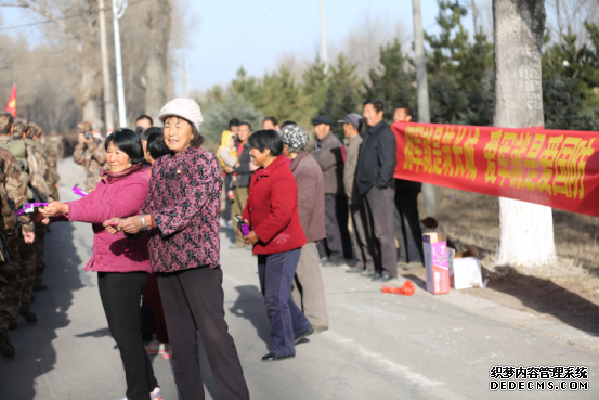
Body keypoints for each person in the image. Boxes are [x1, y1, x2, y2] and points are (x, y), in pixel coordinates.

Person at [112, 98, 250, 399]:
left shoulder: (205, 162)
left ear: (193, 130)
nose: (171, 131)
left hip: (198, 263)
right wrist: (128, 226)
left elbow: (186, 208)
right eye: (167, 125)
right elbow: (151, 207)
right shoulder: (161, 165)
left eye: (179, 125)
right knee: (180, 342)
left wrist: (145, 220)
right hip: (164, 264)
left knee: (215, 337)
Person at [35, 128, 163, 400]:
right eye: (109, 151)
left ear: (133, 155)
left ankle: (138, 394)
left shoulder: (138, 182)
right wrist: (54, 214)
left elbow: (109, 212)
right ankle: (150, 388)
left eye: (119, 152)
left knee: (127, 334)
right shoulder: (107, 181)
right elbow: (89, 204)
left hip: (128, 264)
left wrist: (64, 210)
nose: (111, 157)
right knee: (121, 331)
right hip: (108, 261)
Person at [238, 129, 313, 362]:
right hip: (265, 243)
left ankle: (283, 347)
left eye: (253, 149)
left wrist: (258, 234)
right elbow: (249, 207)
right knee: (274, 294)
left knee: (275, 298)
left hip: (283, 244)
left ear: (267, 150)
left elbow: (281, 214)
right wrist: (245, 229)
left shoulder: (282, 175)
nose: (249, 153)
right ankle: (300, 326)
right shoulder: (260, 174)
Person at [281, 124, 329, 333]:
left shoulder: (306, 167)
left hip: (303, 232)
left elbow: (304, 205)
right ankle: (302, 318)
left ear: (290, 145)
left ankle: (316, 318)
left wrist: (293, 233)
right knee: (299, 275)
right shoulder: (299, 163)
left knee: (308, 275)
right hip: (299, 231)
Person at [0, 113, 47, 325]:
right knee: (14, 269)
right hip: (8, 224)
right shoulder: (12, 153)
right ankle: (11, 316)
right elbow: (21, 193)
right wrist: (26, 223)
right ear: (11, 129)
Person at [0, 112, 34, 359]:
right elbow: (17, 193)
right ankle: (4, 324)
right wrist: (25, 225)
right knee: (9, 276)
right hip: (4, 228)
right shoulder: (6, 155)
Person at [356, 99, 397, 282]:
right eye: (364, 111)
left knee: (383, 231)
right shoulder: (367, 134)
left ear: (380, 113)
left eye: (368, 111)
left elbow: (388, 163)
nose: (365, 115)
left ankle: (389, 269)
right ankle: (378, 267)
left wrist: (379, 183)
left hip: (379, 189)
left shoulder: (385, 133)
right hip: (366, 188)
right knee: (371, 230)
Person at [140, 129, 172, 360]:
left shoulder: (159, 174)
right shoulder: (147, 172)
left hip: (162, 241)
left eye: (144, 145)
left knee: (160, 295)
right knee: (152, 294)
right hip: (147, 240)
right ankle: (163, 337)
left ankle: (170, 339)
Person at [311, 115, 352, 266]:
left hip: (332, 190)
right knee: (329, 222)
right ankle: (336, 252)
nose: (316, 130)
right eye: (314, 127)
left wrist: (315, 155)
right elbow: (312, 159)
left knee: (331, 223)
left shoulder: (334, 143)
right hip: (324, 189)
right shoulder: (320, 143)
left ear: (327, 127)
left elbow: (322, 162)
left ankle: (336, 255)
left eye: (318, 126)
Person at [340, 113, 375, 275]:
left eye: (345, 125)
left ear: (351, 126)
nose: (343, 128)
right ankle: (361, 261)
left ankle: (370, 262)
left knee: (363, 229)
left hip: (358, 194)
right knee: (355, 228)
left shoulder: (360, 143)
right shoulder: (351, 143)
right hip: (351, 195)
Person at [392, 106, 424, 269]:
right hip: (395, 183)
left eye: (399, 115)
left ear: (409, 118)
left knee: (409, 220)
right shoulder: (393, 133)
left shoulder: (414, 133)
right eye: (395, 115)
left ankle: (417, 258)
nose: (395, 118)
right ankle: (404, 256)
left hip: (409, 183)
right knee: (396, 221)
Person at [231, 121, 258, 248]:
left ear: (249, 133)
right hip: (234, 184)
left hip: (246, 184)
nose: (241, 133)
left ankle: (247, 239)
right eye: (239, 130)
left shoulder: (252, 147)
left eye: (244, 130)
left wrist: (234, 168)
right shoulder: (233, 146)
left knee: (245, 214)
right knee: (236, 214)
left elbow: (252, 166)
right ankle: (239, 239)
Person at [73, 121, 108, 191]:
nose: (85, 135)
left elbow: (102, 159)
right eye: (82, 133)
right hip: (90, 185)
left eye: (87, 132)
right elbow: (78, 160)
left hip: (103, 183)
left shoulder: (101, 143)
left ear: (92, 131)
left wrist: (91, 143)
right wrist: (80, 144)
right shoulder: (82, 147)